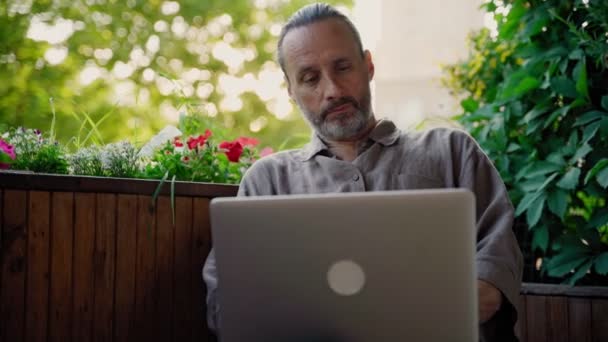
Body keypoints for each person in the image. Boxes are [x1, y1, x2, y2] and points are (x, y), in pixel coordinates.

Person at [203, 3, 523, 341]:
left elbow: (494, 272)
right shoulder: (266, 182)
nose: (333, 90)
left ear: (368, 66)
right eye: (310, 79)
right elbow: (226, 306)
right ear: (291, 92)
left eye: (343, 67)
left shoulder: (451, 152)